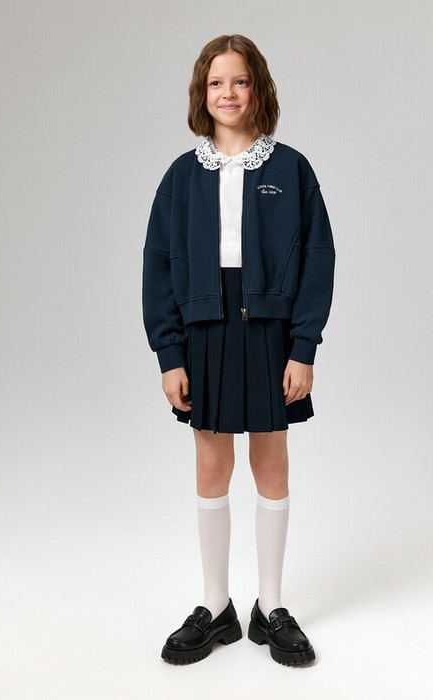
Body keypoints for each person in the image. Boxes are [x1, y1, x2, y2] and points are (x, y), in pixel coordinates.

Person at [141, 34, 335, 666]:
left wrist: (302, 347)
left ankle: (270, 607)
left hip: (270, 329)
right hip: (204, 327)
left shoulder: (291, 169)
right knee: (210, 465)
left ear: (259, 89)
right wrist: (170, 354)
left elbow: (318, 259)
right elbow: (158, 264)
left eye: (240, 81)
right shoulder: (181, 176)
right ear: (202, 93)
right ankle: (216, 605)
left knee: (270, 463)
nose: (228, 93)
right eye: (216, 82)